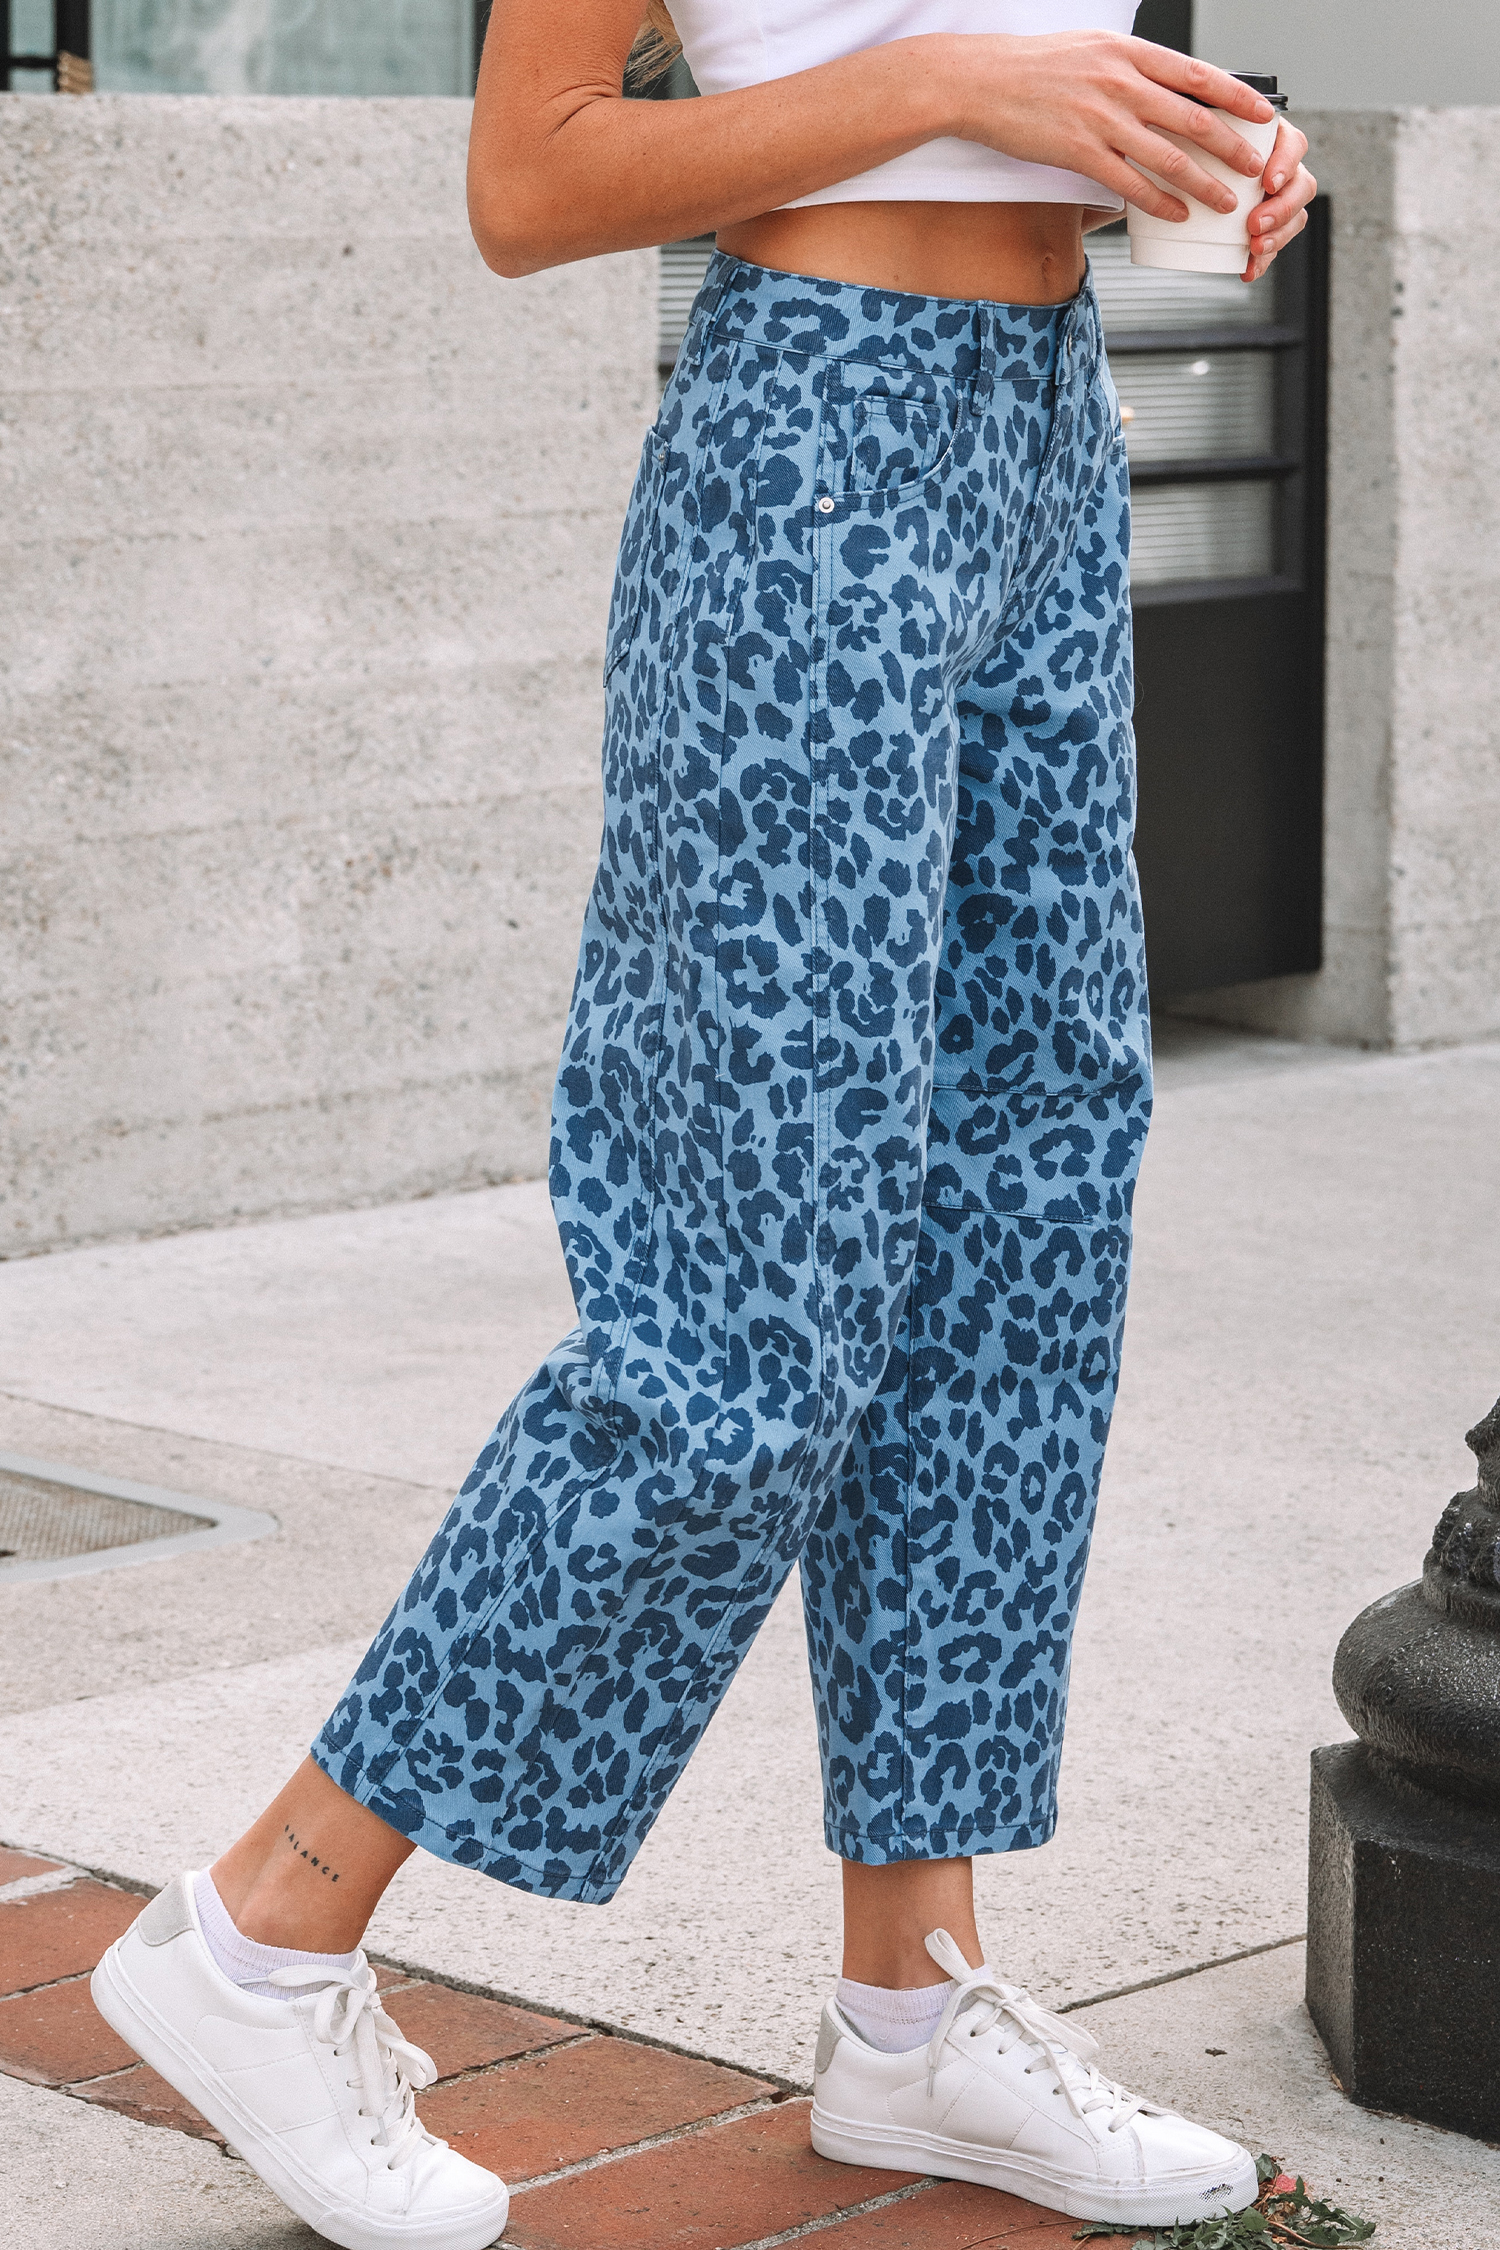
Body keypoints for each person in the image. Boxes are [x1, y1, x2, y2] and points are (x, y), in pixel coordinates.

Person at [92, 8, 1315, 2247]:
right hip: (809, 454)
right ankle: (263, 1926)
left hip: (1049, 434)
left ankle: (915, 2012)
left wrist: (1169, 152)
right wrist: (961, 88)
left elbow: (1026, 95)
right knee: (754, 1307)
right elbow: (532, 178)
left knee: (1020, 1240)